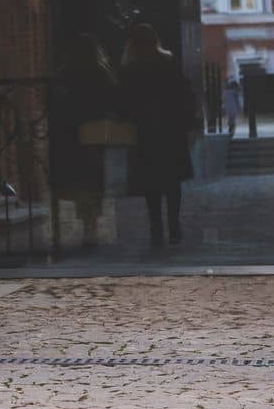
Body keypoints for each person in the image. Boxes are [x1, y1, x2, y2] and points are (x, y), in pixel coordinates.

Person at [118, 24, 195, 247]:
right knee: (172, 182)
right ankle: (174, 224)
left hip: (145, 133)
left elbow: (124, 103)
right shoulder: (169, 62)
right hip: (171, 130)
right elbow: (183, 93)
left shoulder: (130, 68)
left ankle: (156, 226)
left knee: (150, 183)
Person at [51, 35, 120, 248]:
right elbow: (111, 98)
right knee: (92, 177)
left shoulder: (66, 73)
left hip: (72, 132)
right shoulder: (101, 72)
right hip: (93, 131)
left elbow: (57, 99)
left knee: (80, 177)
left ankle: (85, 221)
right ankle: (90, 223)